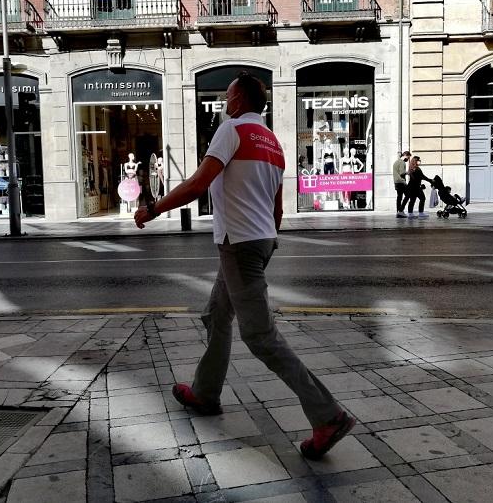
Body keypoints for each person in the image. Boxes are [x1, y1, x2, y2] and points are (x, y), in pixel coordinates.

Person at [134, 72, 356, 460]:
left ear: (238, 101)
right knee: (218, 315)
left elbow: (199, 184)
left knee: (261, 337)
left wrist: (154, 209)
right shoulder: (273, 142)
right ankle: (205, 393)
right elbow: (278, 208)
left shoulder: (231, 129)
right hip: (259, 241)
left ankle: (328, 415)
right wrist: (262, 242)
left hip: (239, 244)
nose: (224, 101)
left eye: (227, 95)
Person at [392, 150, 411, 218]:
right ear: (405, 155)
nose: (408, 160)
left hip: (396, 182)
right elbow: (402, 173)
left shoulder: (396, 162)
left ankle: (399, 212)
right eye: (408, 158)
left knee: (399, 197)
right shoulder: (402, 163)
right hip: (401, 182)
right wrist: (407, 172)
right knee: (408, 195)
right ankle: (400, 210)